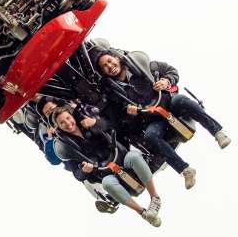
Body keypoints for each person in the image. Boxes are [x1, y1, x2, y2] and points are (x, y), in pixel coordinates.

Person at [88, 46, 231, 189]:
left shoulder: (140, 65)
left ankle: (217, 132)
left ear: (117, 58)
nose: (110, 66)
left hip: (169, 104)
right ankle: (185, 170)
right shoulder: (113, 93)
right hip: (153, 119)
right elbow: (120, 121)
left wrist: (167, 81)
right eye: (104, 67)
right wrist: (130, 114)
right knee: (150, 135)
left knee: (181, 100)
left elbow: (171, 71)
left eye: (109, 61)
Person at [53, 106, 163, 227]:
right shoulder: (68, 146)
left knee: (134, 157)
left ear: (72, 116)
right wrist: (85, 170)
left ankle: (155, 198)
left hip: (120, 158)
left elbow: (110, 125)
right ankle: (143, 213)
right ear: (59, 127)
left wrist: (95, 123)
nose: (68, 123)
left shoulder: (87, 122)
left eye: (68, 118)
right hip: (105, 172)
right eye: (62, 123)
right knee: (107, 183)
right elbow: (77, 174)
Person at [36, 96, 116, 213]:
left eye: (53, 108)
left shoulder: (76, 114)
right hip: (81, 162)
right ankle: (106, 199)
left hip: (101, 150)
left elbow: (106, 123)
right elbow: (54, 160)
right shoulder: (52, 134)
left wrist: (93, 122)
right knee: (83, 174)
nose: (52, 113)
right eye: (48, 113)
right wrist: (50, 139)